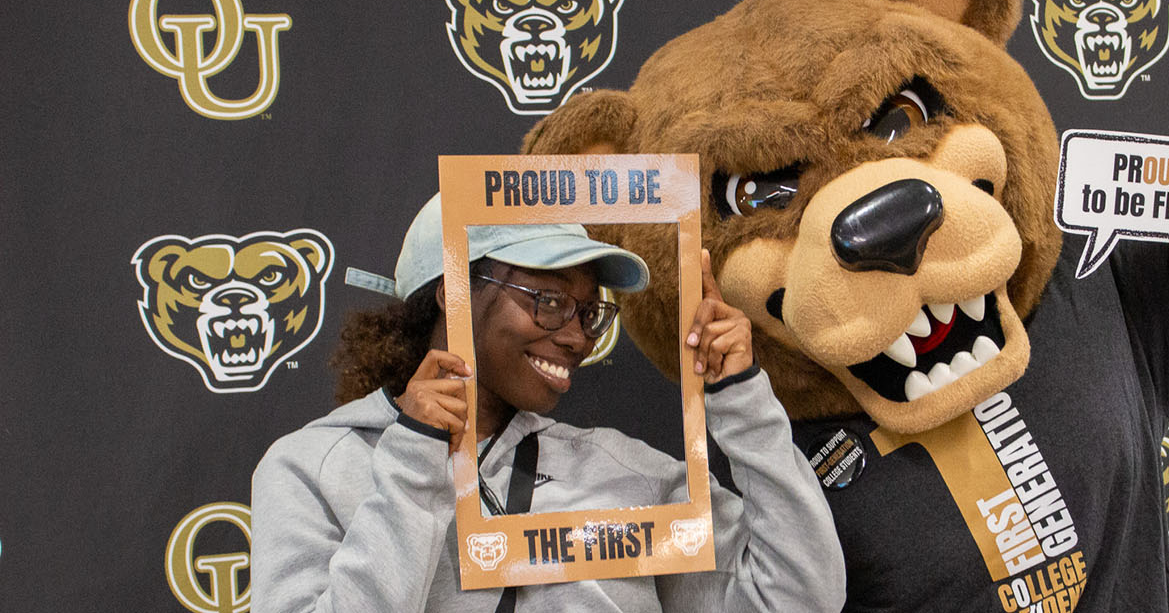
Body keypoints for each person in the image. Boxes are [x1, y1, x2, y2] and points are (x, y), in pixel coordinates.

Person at [250, 193, 845, 612]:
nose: (578, 336)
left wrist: (741, 402)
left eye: (589, 312)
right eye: (549, 301)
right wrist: (413, 468)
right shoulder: (313, 467)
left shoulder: (629, 475)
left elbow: (801, 596)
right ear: (453, 293)